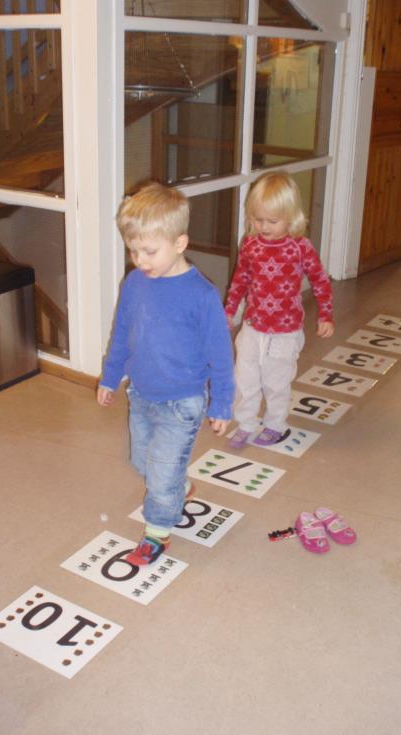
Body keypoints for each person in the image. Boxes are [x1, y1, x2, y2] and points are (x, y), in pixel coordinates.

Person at [97, 183, 234, 565]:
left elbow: (221, 356)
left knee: (158, 476)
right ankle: (179, 485)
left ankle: (157, 532)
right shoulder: (135, 283)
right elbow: (122, 333)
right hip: (141, 396)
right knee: (143, 462)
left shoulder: (201, 296)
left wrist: (221, 403)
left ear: (180, 242)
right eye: (133, 250)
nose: (140, 259)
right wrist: (111, 377)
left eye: (149, 251)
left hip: (183, 402)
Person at [225, 171, 334, 450]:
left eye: (272, 221)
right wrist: (230, 310)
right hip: (253, 326)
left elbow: (321, 280)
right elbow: (240, 279)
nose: (264, 226)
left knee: (276, 381)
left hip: (285, 331)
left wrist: (325, 314)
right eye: (257, 219)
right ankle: (246, 422)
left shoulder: (300, 247)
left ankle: (276, 425)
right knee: (245, 378)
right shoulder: (250, 244)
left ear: (291, 217)